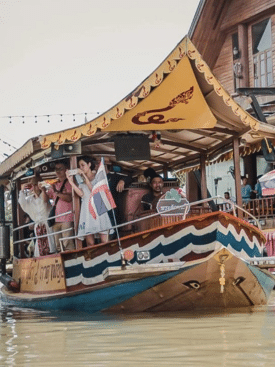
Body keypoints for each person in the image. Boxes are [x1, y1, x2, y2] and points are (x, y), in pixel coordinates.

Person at [66, 156, 112, 246]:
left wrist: (83, 175)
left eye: (83, 165)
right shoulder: (81, 180)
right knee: (90, 242)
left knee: (104, 240)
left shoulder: (98, 175)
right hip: (87, 207)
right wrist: (70, 182)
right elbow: (82, 194)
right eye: (80, 166)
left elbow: (93, 190)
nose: (81, 168)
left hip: (99, 205)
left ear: (89, 164)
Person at [18, 175, 56, 256]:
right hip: (38, 227)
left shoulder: (44, 194)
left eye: (36, 185)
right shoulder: (30, 199)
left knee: (51, 246)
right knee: (39, 248)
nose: (35, 187)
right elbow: (22, 204)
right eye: (33, 185)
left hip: (47, 225)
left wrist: (42, 190)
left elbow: (45, 202)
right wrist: (22, 190)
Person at [46, 161, 75, 252]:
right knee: (58, 245)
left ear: (66, 170)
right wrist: (42, 188)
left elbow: (69, 198)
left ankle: (71, 262)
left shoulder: (70, 182)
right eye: (56, 169)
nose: (57, 171)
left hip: (67, 217)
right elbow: (46, 197)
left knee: (67, 244)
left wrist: (57, 192)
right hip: (56, 218)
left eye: (60, 169)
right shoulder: (54, 184)